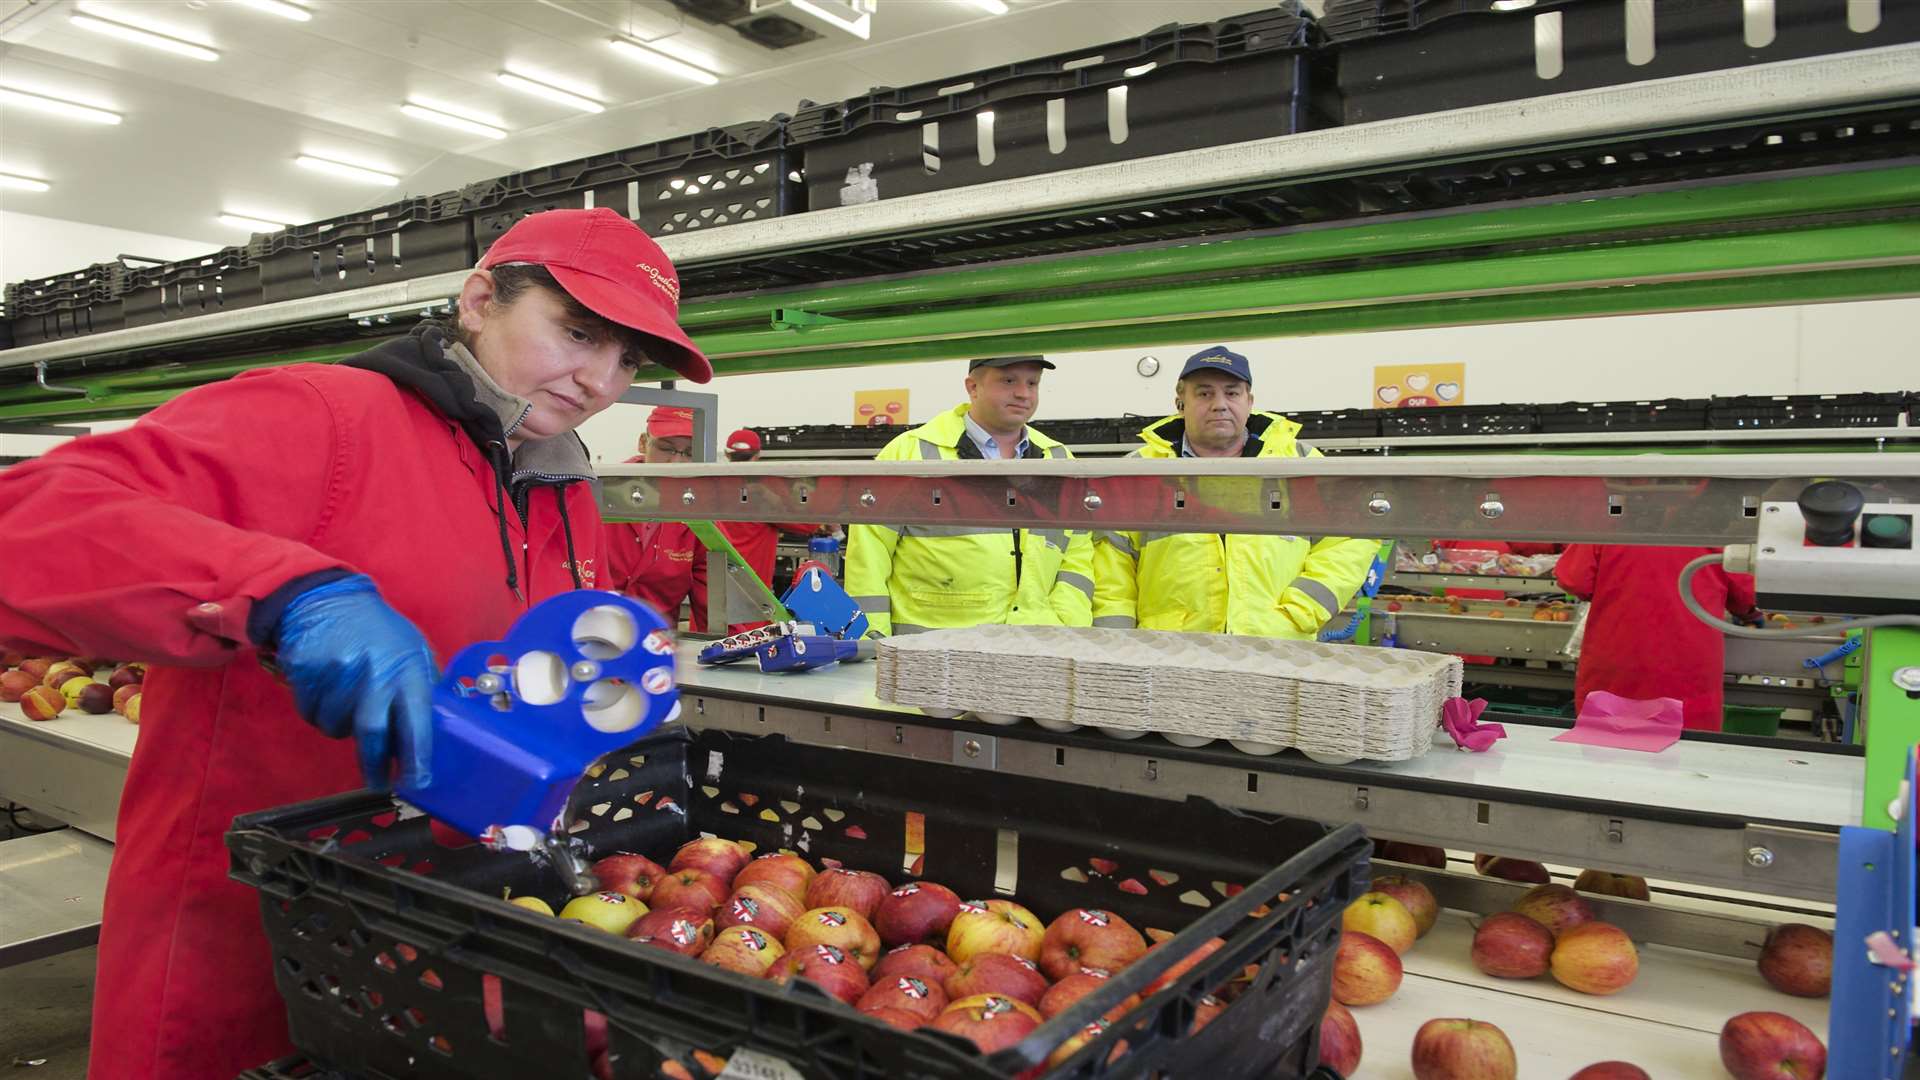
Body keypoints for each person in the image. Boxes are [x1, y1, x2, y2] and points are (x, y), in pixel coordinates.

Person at [0, 207, 710, 1080]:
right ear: (481, 299)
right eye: (577, 333)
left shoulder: (562, 484)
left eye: (627, 359)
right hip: (246, 928)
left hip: (432, 931)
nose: (600, 379)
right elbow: (28, 520)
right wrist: (286, 594)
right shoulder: (321, 415)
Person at [1092, 347, 1377, 638]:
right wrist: (1120, 643)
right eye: (1204, 394)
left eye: (1232, 393)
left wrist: (1300, 612)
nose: (1220, 404)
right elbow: (1111, 568)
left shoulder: (1298, 463)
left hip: (1277, 649)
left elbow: (1351, 538)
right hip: (1168, 649)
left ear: (1249, 401)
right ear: (1180, 403)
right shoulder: (1139, 472)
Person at [845, 355, 1095, 635]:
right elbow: (868, 556)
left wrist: (1065, 627)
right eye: (1008, 381)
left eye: (1032, 383)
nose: (1023, 393)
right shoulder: (910, 453)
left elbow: (1077, 555)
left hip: (1035, 646)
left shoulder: (1059, 458)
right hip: (931, 650)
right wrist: (872, 641)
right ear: (972, 387)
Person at [1555, 544, 1762, 731]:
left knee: (1610, 757)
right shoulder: (1714, 531)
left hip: (1618, 665)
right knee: (1686, 757)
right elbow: (1749, 595)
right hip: (1687, 670)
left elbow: (1575, 580)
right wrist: (1751, 614)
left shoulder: (1612, 524)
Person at [602, 406, 714, 630]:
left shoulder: (700, 509)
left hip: (655, 644)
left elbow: (713, 599)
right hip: (588, 634)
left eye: (689, 453)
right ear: (643, 443)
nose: (676, 462)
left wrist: (729, 651)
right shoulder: (600, 492)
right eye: (665, 448)